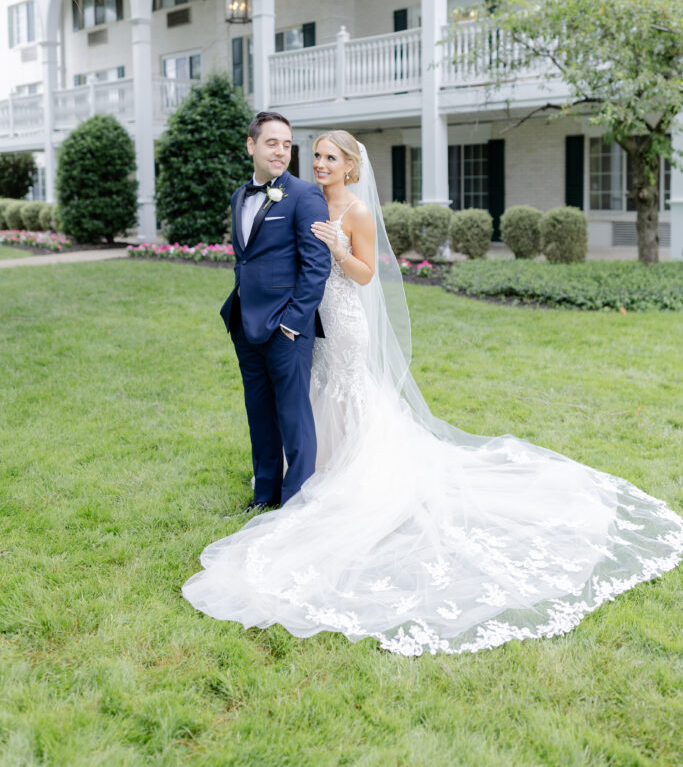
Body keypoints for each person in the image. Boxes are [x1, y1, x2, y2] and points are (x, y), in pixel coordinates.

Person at [183, 131, 683, 657]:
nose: (322, 163)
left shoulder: (354, 212)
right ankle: (315, 468)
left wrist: (336, 248)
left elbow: (364, 273)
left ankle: (348, 473)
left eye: (332, 158)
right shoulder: (304, 197)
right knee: (316, 392)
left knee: (348, 391)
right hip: (312, 321)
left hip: (345, 317)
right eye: (319, 157)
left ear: (352, 167)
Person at [218, 111, 330, 510]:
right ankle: (264, 495)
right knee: (259, 414)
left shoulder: (304, 195)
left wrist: (292, 323)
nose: (281, 151)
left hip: (287, 328)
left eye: (287, 144)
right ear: (251, 145)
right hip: (245, 325)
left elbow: (317, 266)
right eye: (272, 142)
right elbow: (245, 258)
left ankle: (297, 501)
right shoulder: (238, 196)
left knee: (294, 417)